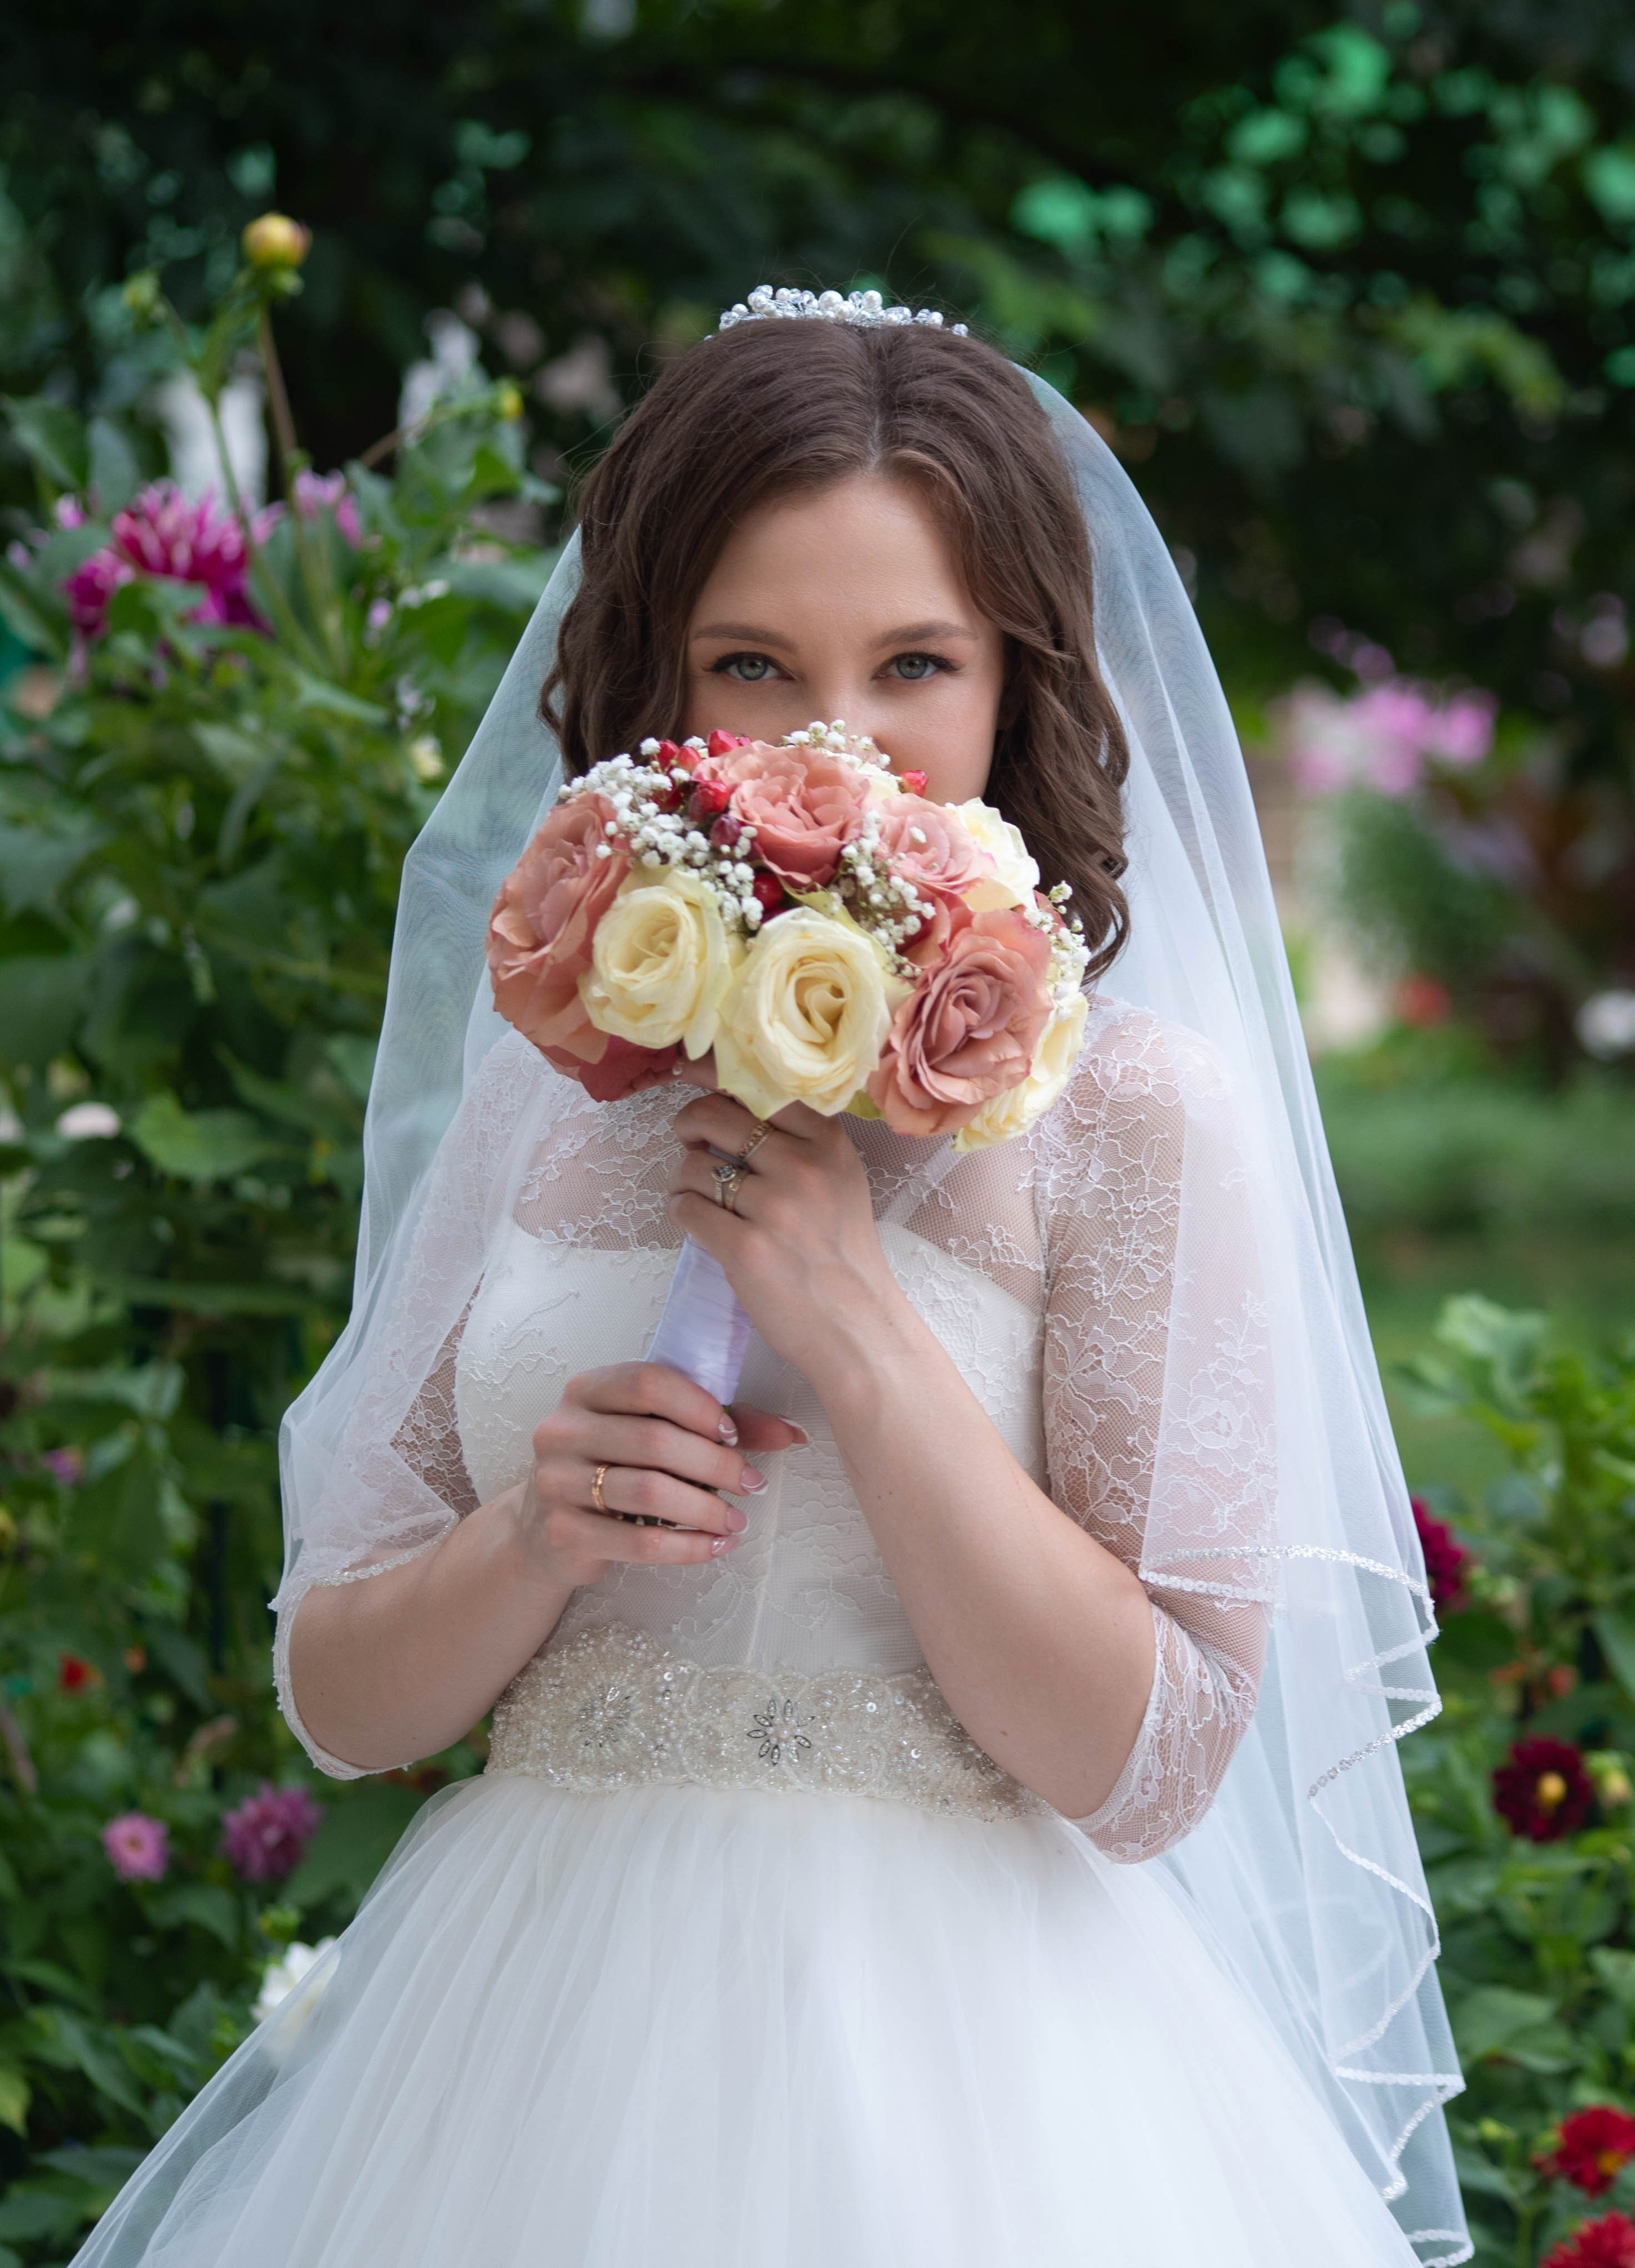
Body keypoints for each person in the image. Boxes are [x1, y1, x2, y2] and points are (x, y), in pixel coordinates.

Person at [75, 287, 1469, 2267]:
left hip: (975, 2090)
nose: (841, 745)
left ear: (1015, 682)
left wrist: (860, 1335)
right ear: (658, 684)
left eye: (916, 662)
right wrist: (537, 1539)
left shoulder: (1137, 1120)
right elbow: (341, 1693)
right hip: (519, 2051)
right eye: (754, 663)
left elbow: (1146, 1760)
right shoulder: (547, 1096)